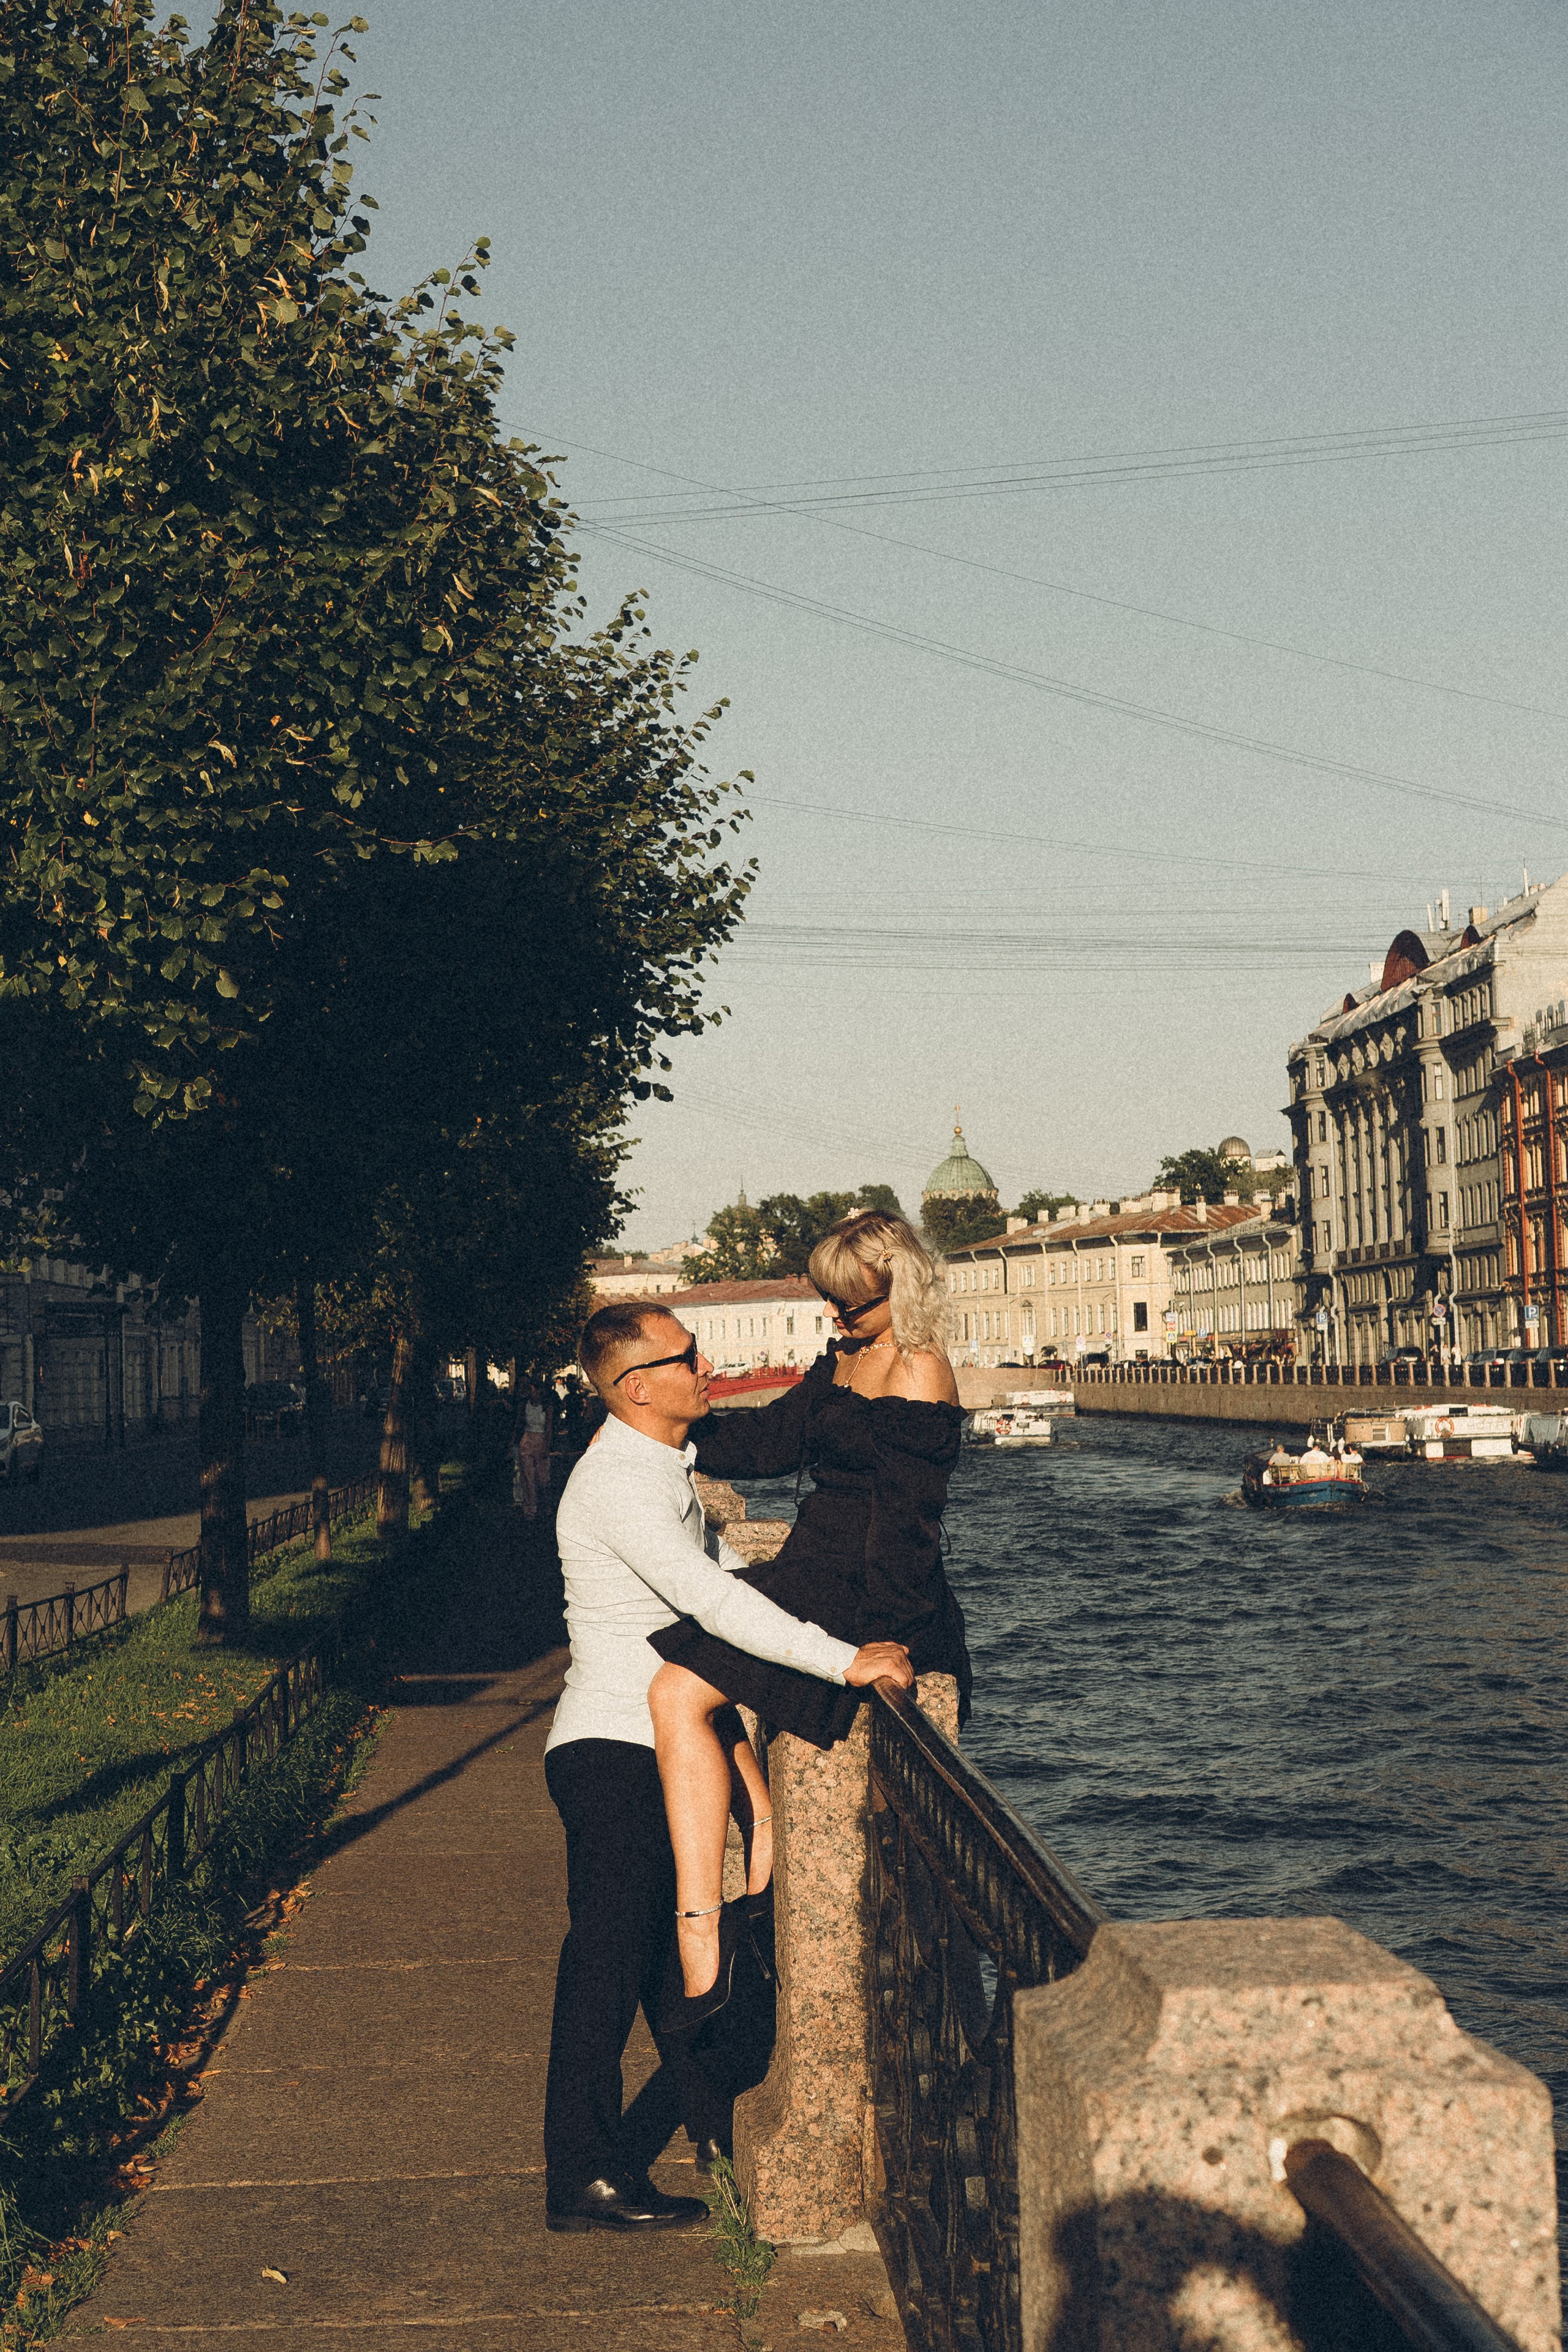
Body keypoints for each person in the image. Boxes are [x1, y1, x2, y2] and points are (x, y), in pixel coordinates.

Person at [542, 1299, 913, 2236]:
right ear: (637, 1387)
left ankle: (715, 2135)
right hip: (615, 1747)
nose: (707, 1365)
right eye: (687, 1355)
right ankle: (581, 2175)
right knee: (609, 1961)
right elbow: (715, 1606)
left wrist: (744, 1764)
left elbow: (724, 1625)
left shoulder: (660, 1467)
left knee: (675, 1965)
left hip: (655, 1742)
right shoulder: (620, 1483)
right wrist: (844, 1662)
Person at [646, 1210, 970, 2016]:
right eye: (828, 1299)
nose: (835, 1316)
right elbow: (772, 1441)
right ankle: (757, 1868)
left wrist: (880, 1640)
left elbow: (907, 1528)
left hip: (863, 1594)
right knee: (680, 1676)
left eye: (850, 1304)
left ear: (902, 1289)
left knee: (681, 1690)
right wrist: (672, 1431)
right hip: (810, 1568)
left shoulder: (921, 1374)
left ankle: (704, 1940)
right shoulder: (846, 1359)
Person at [512, 1380, 553, 1519]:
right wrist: (513, 1443)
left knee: (543, 1478)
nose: (530, 1393)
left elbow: (548, 1428)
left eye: (532, 1389)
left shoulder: (547, 1407)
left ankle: (546, 1504)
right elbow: (518, 1424)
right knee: (527, 1477)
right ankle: (530, 1508)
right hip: (527, 1440)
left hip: (541, 1441)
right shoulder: (524, 1405)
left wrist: (546, 1447)